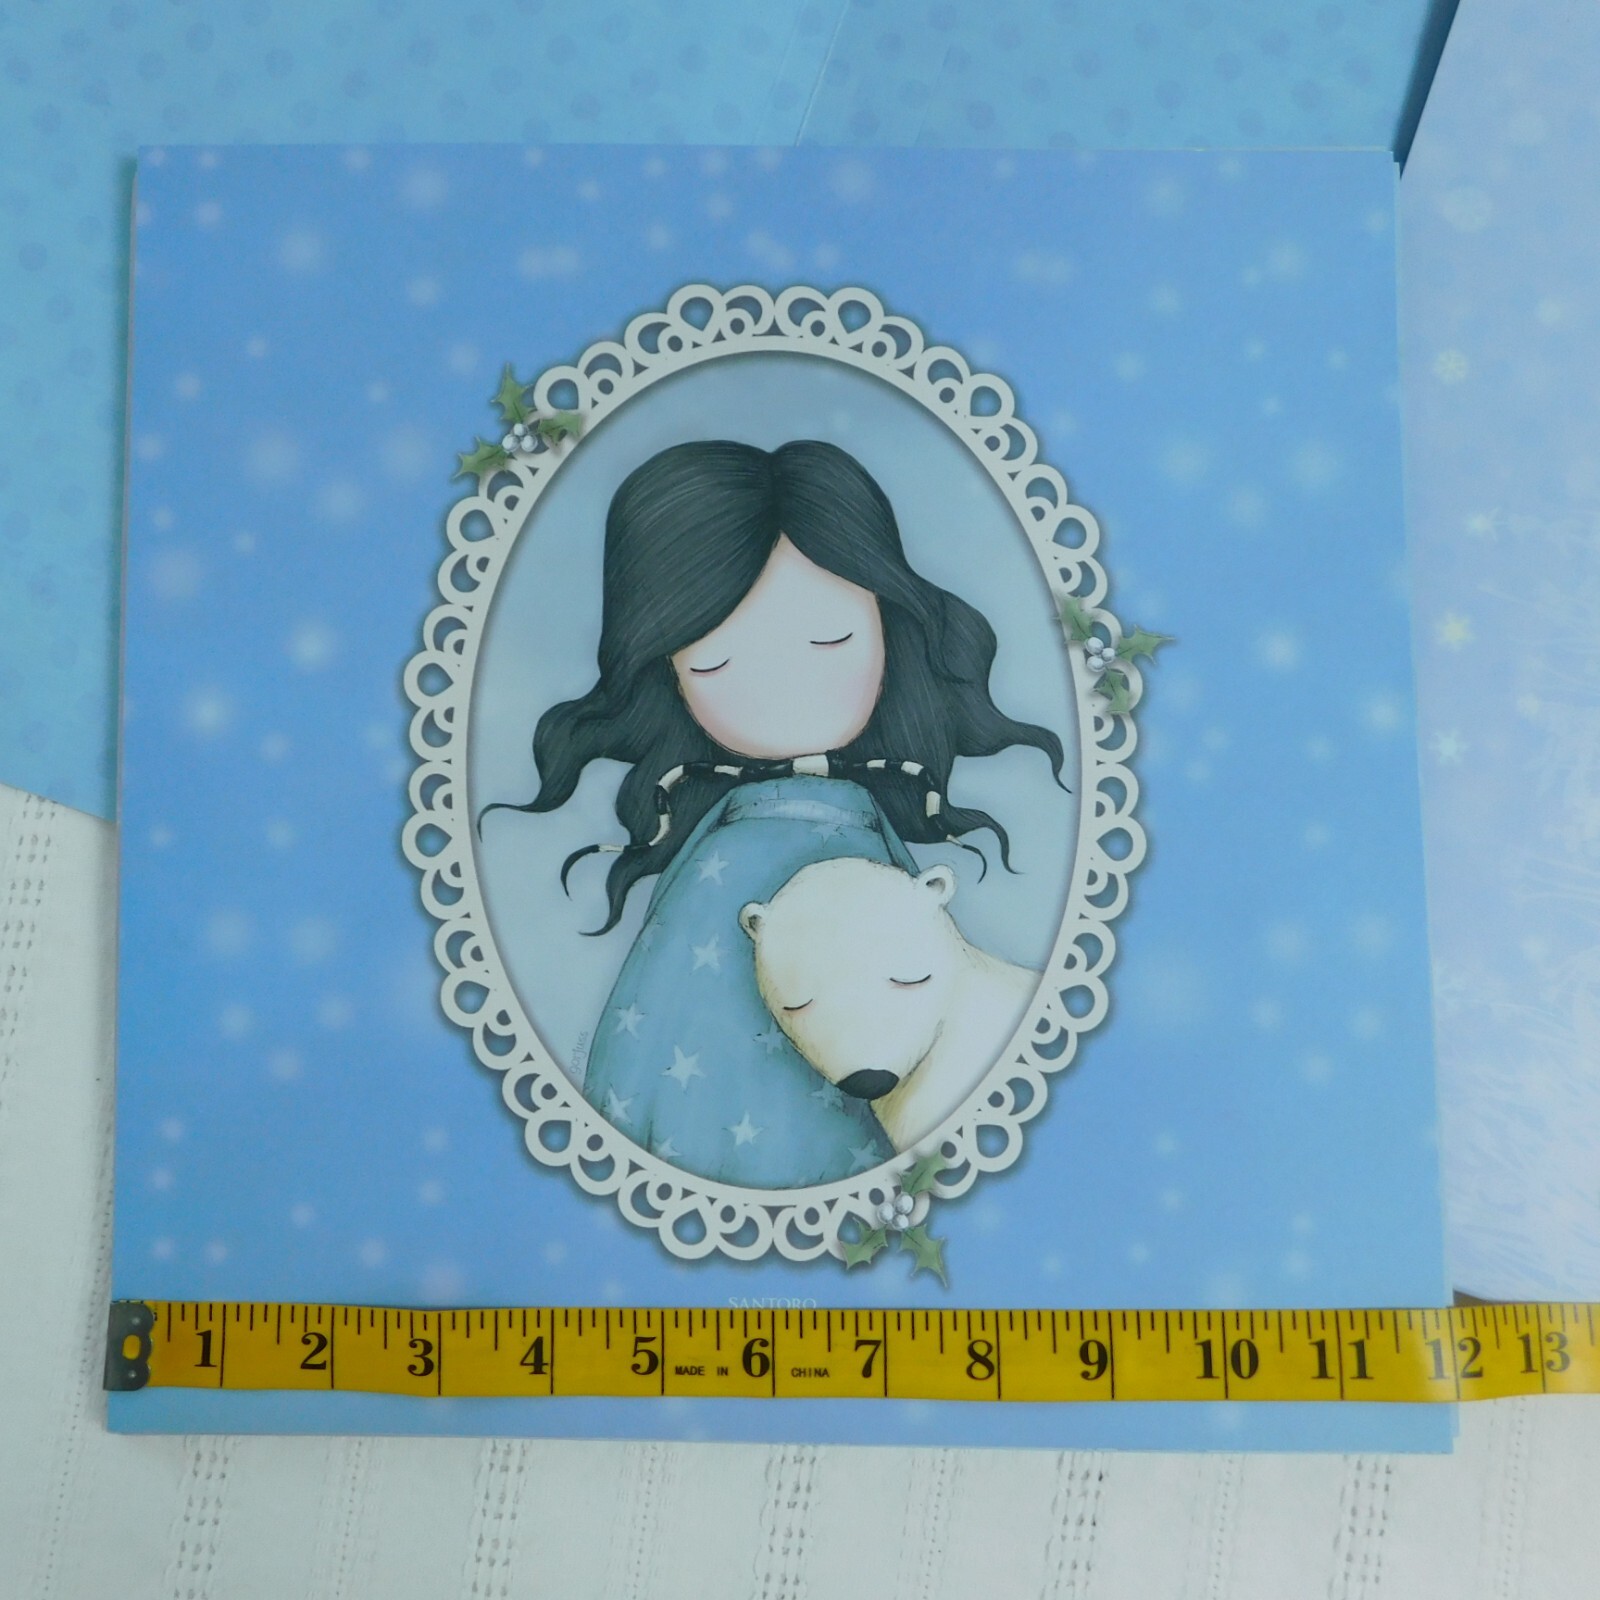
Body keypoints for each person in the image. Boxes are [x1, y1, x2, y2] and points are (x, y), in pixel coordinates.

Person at [484, 439, 1063, 1187]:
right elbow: (658, 1018)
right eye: (715, 661)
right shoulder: (726, 853)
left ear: (887, 626)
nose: (785, 687)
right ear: (667, 670)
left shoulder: (864, 817)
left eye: (831, 638)